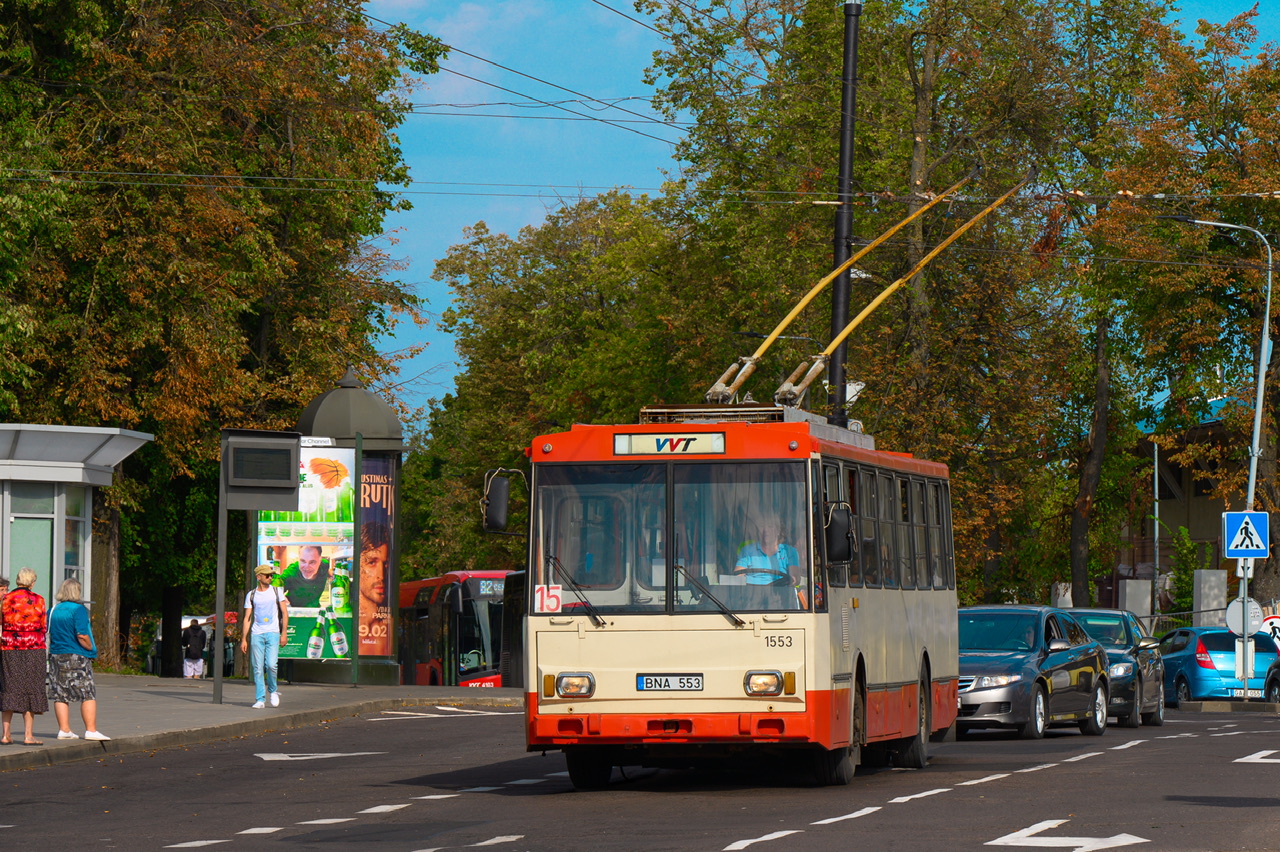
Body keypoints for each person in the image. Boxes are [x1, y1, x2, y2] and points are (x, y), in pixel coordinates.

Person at [47, 578, 109, 741]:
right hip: (76, 655)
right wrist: (89, 646)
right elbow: (82, 634)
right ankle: (91, 730)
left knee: (60, 693)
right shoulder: (78, 610)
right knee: (87, 692)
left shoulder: (53, 610)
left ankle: (64, 729)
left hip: (55, 654)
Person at [0, 567, 48, 745]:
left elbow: (2, 621)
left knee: (9, 688)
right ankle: (28, 736)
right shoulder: (39, 600)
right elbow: (43, 626)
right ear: (32, 582)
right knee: (31, 689)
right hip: (33, 648)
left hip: (9, 649)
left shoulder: (6, 599)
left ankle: (6, 734)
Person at [240, 564, 288, 709]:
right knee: (258, 667)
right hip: (257, 633)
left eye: (271, 575)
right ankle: (260, 699)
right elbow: (247, 618)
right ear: (259, 577)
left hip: (273, 632)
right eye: (267, 575)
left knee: (271, 665)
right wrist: (244, 638)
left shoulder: (276, 591)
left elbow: (285, 613)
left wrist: (284, 633)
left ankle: (273, 690)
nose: (270, 577)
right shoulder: (252, 595)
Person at [733, 515, 805, 607]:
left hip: (779, 595)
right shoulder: (748, 550)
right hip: (750, 596)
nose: (766, 530)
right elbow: (738, 575)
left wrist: (788, 581)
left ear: (779, 531)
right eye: (762, 526)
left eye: (770, 526)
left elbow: (795, 578)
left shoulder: (789, 551)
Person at [358, 522, 391, 655]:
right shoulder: (345, 621)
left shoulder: (388, 627)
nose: (381, 575)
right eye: (371, 562)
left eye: (386, 564)